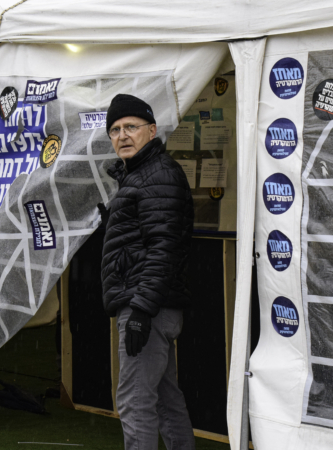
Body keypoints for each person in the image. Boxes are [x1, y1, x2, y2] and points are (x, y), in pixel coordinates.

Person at [100, 94, 195, 450]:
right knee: (165, 400)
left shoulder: (157, 175)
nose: (122, 135)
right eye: (115, 130)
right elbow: (149, 240)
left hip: (148, 308)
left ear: (151, 131)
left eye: (130, 127)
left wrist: (140, 309)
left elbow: (164, 249)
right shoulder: (141, 176)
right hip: (154, 305)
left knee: (135, 401)